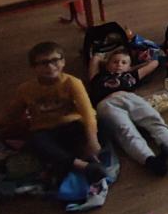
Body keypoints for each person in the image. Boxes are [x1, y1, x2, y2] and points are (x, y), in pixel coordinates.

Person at [87, 50, 168, 176]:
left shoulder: (131, 75)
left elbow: (154, 63)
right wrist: (100, 58)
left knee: (154, 119)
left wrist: (133, 68)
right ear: (107, 64)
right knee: (125, 130)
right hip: (106, 103)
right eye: (115, 62)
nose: (119, 64)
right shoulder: (98, 78)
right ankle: (149, 160)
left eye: (123, 62)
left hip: (130, 98)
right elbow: (95, 60)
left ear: (129, 67)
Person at [8, 42, 106, 183]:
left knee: (101, 124)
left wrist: (93, 141)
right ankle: (82, 165)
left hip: (70, 125)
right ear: (33, 67)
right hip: (45, 131)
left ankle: (75, 158)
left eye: (55, 60)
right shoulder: (25, 89)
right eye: (43, 63)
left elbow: (88, 113)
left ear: (63, 61)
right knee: (37, 142)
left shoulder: (72, 82)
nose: (50, 66)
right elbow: (12, 114)